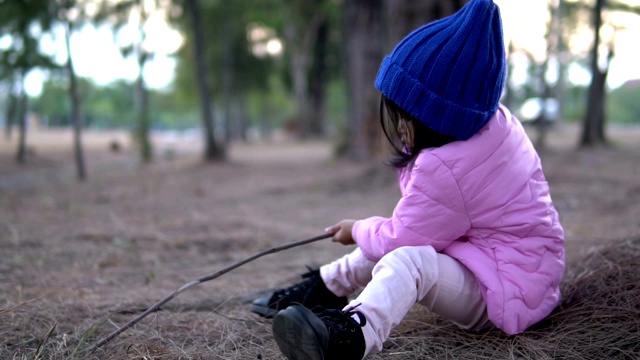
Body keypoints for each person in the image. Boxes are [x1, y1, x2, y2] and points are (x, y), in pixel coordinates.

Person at [251, 0, 565, 358]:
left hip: (505, 291)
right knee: (384, 242)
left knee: (407, 260)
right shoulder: (492, 128)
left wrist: (356, 228)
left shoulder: (447, 169)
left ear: (437, 117)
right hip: (520, 271)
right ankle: (326, 286)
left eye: (405, 118)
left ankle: (349, 336)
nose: (399, 129)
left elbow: (401, 238)